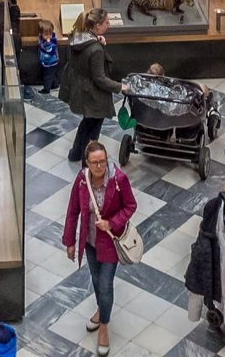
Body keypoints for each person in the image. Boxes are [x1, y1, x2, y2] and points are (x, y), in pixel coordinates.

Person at [63, 139, 137, 357]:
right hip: (90, 241)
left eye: (102, 162)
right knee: (96, 280)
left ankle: (104, 325)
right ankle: (101, 308)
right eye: (94, 163)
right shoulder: (82, 180)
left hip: (110, 242)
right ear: (86, 163)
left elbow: (131, 205)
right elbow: (73, 210)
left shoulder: (118, 180)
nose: (99, 167)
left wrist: (111, 223)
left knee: (105, 284)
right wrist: (70, 241)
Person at [60, 10, 124, 165]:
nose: (108, 25)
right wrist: (120, 87)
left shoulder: (77, 37)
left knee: (86, 123)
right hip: (93, 95)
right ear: (97, 26)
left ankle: (75, 153)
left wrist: (98, 41)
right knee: (93, 130)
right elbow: (100, 78)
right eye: (106, 22)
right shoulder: (95, 49)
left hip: (79, 88)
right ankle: (87, 162)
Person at [36, 21, 60, 93]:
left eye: (50, 34)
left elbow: (50, 50)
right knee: (51, 74)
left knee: (47, 76)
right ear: (40, 33)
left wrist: (48, 43)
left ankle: (46, 89)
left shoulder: (51, 42)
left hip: (50, 62)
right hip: (47, 61)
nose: (49, 36)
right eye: (46, 34)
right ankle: (55, 84)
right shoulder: (41, 39)